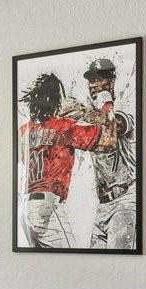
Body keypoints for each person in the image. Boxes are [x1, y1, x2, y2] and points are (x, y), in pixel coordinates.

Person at [18, 72, 116, 247]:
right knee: (71, 258)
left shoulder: (23, 130)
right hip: (48, 206)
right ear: (56, 99)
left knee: (40, 260)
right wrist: (106, 104)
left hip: (25, 208)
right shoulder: (63, 126)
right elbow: (109, 141)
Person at [81, 57, 138, 249]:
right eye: (91, 80)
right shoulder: (90, 112)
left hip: (125, 198)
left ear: (112, 82)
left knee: (120, 261)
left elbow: (115, 125)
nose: (94, 85)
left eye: (100, 79)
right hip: (103, 204)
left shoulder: (125, 106)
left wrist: (104, 101)